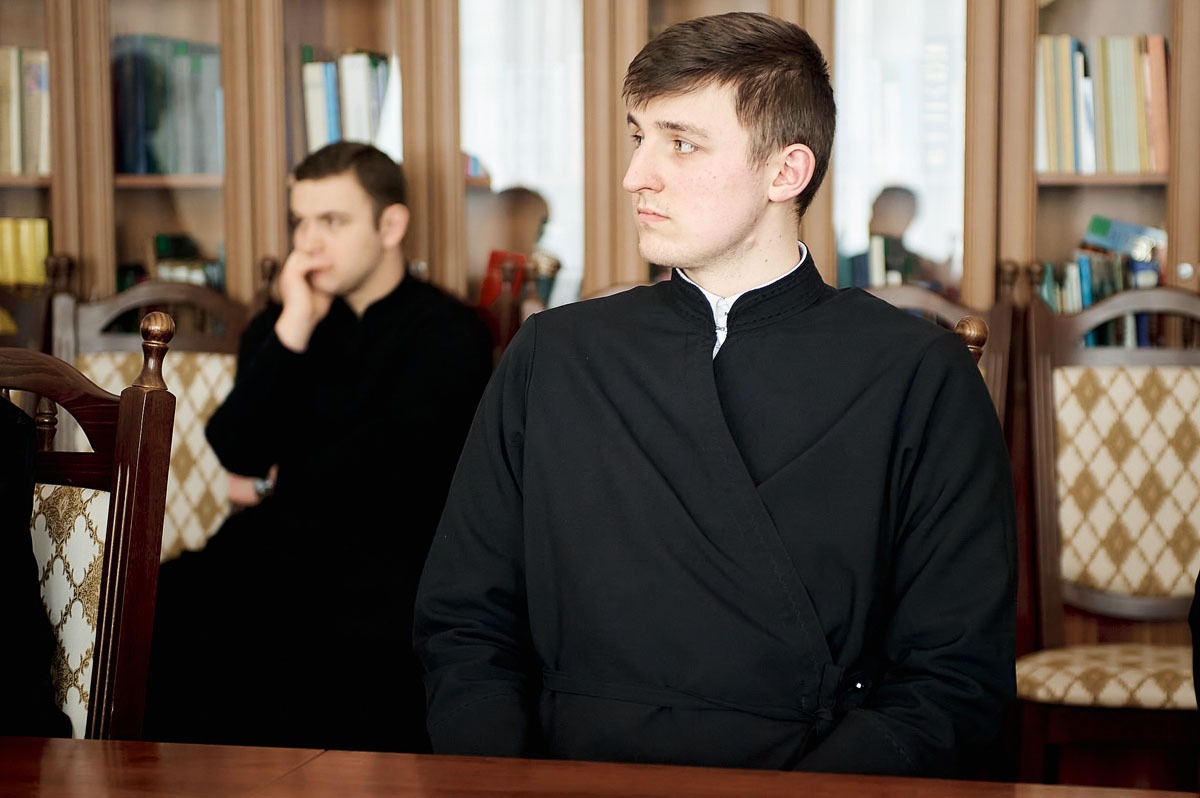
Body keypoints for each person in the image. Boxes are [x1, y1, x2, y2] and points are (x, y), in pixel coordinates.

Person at [414, 12, 1016, 777]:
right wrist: (507, 784)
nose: (636, 175)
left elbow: (954, 679)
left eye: (682, 143)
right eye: (639, 137)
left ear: (785, 172)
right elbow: (465, 622)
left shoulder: (920, 374)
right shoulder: (551, 354)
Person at [144, 141, 494, 753]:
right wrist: (295, 328)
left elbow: (396, 475)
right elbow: (236, 449)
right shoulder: (281, 325)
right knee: (160, 609)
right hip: (273, 548)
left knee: (327, 649)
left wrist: (277, 479)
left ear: (391, 226)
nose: (309, 243)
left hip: (388, 564)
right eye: (301, 221)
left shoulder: (449, 332)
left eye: (332, 221)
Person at [845, 186, 953, 292]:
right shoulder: (850, 265)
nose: (871, 221)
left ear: (908, 218)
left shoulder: (925, 269)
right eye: (874, 212)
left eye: (882, 213)